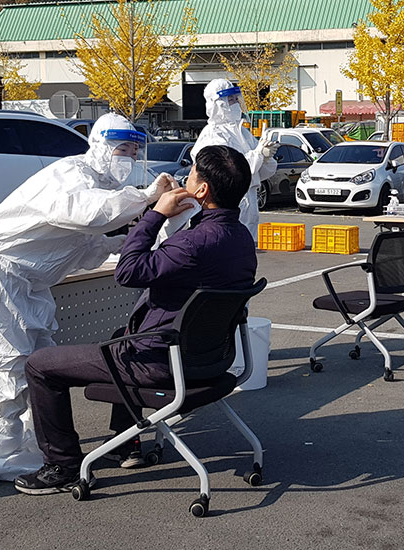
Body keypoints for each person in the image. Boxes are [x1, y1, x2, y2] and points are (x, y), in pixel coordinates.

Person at [16, 145, 257, 495]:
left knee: (40, 365)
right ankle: (123, 444)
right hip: (212, 360)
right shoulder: (241, 239)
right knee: (122, 334)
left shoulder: (194, 242)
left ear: (202, 190)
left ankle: (63, 465)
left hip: (161, 363)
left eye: (190, 172)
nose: (185, 176)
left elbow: (128, 271)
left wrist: (155, 214)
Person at [0, 112, 175, 481]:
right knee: (10, 363)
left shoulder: (100, 186)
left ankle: (31, 439)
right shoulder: (72, 177)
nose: (128, 157)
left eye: (134, 151)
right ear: (100, 146)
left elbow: (85, 247)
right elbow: (89, 214)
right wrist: (148, 198)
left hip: (29, 281)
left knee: (38, 360)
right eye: (121, 148)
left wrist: (131, 240)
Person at [191, 79, 277, 240]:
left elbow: (259, 174)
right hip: (224, 206)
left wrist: (266, 157)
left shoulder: (241, 132)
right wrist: (257, 154)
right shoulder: (213, 134)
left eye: (236, 99)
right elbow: (226, 172)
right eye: (231, 100)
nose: (236, 103)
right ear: (218, 104)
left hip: (248, 204)